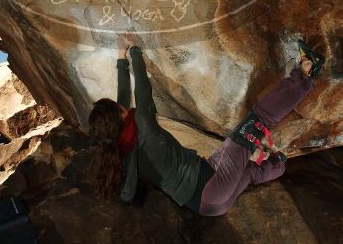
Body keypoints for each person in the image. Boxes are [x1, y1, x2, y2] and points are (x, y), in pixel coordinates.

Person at [89, 34, 325, 216]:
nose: (123, 106)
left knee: (250, 173)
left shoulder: (120, 147)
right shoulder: (143, 127)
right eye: (119, 108)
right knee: (257, 120)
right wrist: (135, 50)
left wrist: (121, 55)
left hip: (208, 208)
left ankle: (280, 163)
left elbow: (122, 99)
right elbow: (141, 90)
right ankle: (307, 71)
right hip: (212, 182)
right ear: (121, 117)